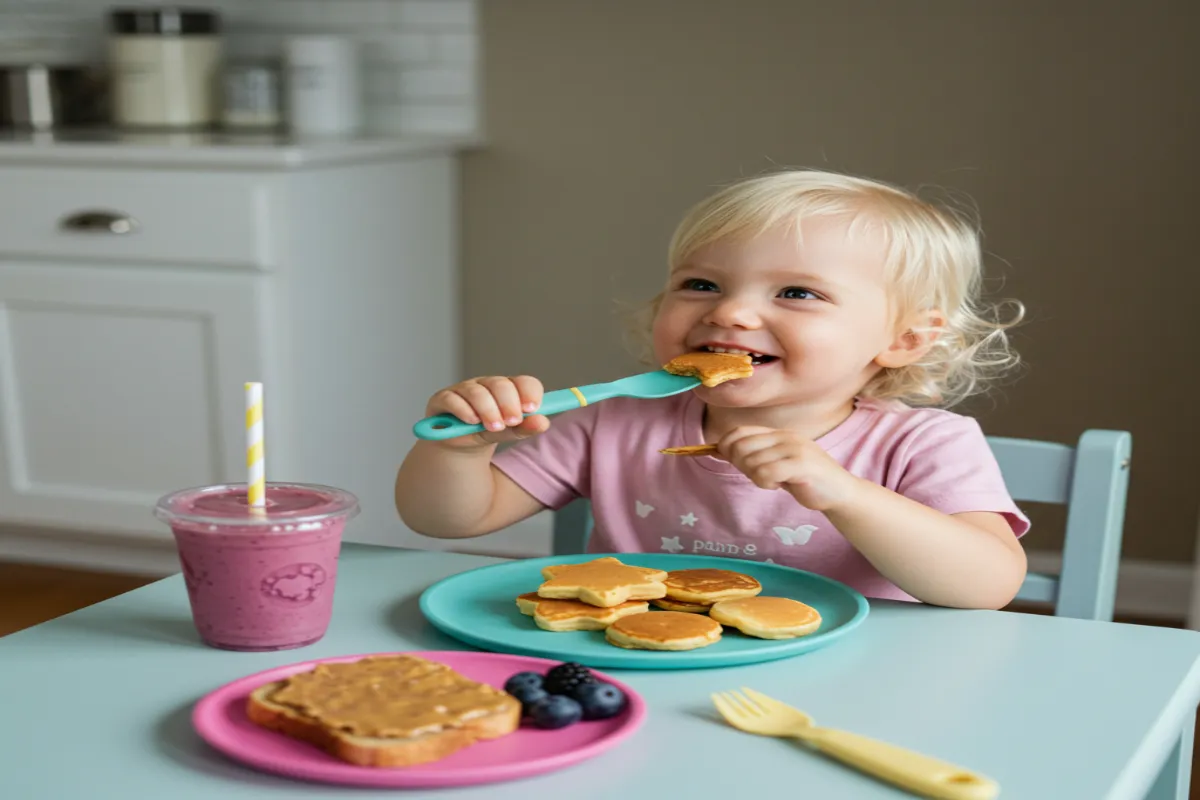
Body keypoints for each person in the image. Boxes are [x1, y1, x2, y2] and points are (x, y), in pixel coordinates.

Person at [395, 169, 1030, 609]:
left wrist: (847, 495)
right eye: (701, 284)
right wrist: (460, 452)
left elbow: (987, 585)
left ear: (906, 340)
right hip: (641, 656)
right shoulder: (616, 421)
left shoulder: (925, 444)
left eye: (797, 293)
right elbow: (448, 519)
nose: (730, 313)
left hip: (851, 680)